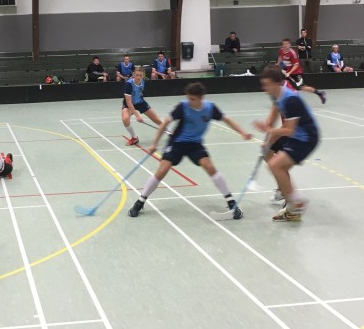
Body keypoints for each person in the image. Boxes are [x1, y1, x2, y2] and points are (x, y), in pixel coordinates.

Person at [128, 81, 251, 220]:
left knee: (210, 167)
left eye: (192, 99)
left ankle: (231, 202)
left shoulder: (210, 108)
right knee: (162, 170)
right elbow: (165, 123)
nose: (189, 101)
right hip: (177, 143)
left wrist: (243, 133)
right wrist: (155, 143)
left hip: (195, 144)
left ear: (200, 98)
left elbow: (227, 119)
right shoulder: (183, 106)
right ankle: (140, 202)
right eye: (188, 98)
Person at [253, 65, 320, 222]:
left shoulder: (290, 99)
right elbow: (273, 119)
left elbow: (289, 130)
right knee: (275, 165)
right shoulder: (277, 96)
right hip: (296, 136)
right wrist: (267, 139)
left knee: (276, 165)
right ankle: (292, 205)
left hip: (306, 138)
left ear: (277, 83)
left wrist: (270, 131)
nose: (264, 88)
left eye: (267, 84)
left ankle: (296, 202)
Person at [277, 38, 326, 104]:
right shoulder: (281, 50)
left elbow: (296, 65)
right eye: (284, 44)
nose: (285, 45)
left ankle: (319, 93)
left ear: (289, 45)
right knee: (281, 84)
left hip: (296, 72)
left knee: (302, 87)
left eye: (286, 44)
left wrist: (289, 73)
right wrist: (277, 64)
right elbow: (280, 57)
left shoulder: (292, 53)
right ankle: (283, 100)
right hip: (287, 71)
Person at [122, 66, 163, 146]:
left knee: (156, 120)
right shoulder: (128, 84)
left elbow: (140, 93)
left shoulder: (143, 82)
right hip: (129, 104)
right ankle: (134, 137)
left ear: (143, 75)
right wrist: (137, 116)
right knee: (125, 119)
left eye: (140, 75)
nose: (138, 77)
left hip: (140, 102)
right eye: (137, 75)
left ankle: (171, 132)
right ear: (133, 74)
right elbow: (128, 102)